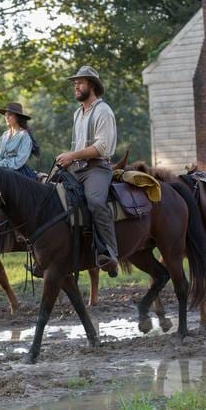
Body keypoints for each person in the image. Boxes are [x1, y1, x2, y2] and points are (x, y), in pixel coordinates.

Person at [56, 66, 119, 275]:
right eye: (75, 83)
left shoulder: (104, 111)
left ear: (91, 85)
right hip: (77, 169)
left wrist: (72, 156)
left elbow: (102, 148)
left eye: (80, 83)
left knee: (95, 202)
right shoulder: (77, 113)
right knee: (51, 197)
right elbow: (79, 146)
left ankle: (111, 253)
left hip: (97, 169)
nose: (76, 86)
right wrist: (67, 160)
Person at [0, 102, 36, 178]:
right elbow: (0, 154)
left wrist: (0, 164)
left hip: (17, 172)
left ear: (17, 117)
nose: (7, 117)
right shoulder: (5, 135)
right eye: (6, 115)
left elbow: (19, 160)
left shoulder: (24, 136)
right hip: (2, 169)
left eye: (10, 115)